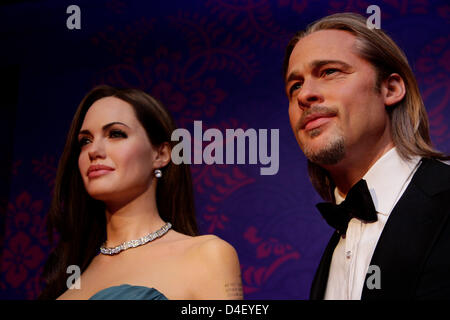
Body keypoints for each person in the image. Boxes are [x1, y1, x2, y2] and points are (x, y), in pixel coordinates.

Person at [283, 13, 450, 299]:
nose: (304, 95)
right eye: (295, 85)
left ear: (391, 88)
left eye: (329, 72)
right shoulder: (337, 245)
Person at [39, 85, 243, 300]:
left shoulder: (207, 256)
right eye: (85, 141)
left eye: (116, 134)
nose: (94, 151)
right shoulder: (70, 278)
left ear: (161, 154)